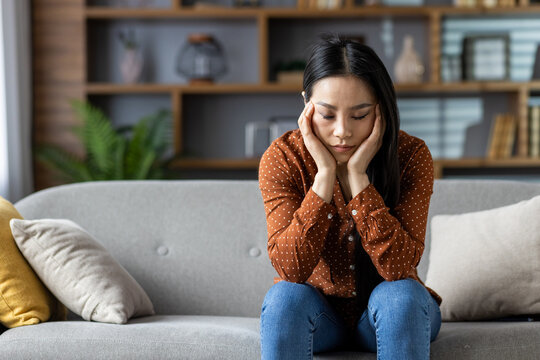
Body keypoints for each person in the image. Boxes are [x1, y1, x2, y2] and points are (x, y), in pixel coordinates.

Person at [258, 33, 443, 360]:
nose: (342, 131)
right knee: (284, 298)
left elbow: (400, 267)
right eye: (327, 115)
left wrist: (358, 180)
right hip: (318, 316)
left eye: (359, 115)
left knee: (399, 297)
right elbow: (291, 269)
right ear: (306, 105)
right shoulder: (283, 157)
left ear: (381, 109)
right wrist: (325, 177)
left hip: (395, 311)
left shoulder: (411, 154)